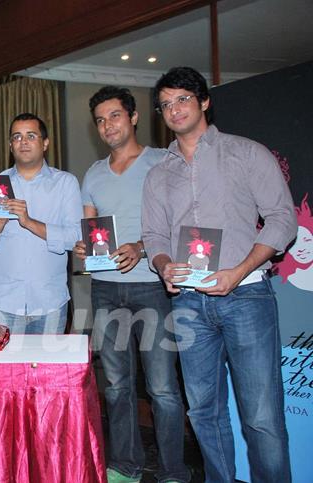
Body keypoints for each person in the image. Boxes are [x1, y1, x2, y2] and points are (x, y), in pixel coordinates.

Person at [142, 66, 296, 482]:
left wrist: (240, 269)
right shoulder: (158, 174)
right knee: (203, 411)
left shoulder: (247, 153)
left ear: (204, 101)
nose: (174, 110)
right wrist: (163, 266)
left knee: (261, 417)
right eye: (166, 104)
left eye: (183, 100)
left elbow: (283, 220)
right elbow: (154, 235)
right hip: (188, 301)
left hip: (245, 295)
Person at [75, 86, 189, 483]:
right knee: (117, 385)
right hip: (105, 288)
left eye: (115, 116)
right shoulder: (93, 173)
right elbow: (90, 231)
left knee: (161, 388)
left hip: (153, 285)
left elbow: (181, 221)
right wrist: (84, 247)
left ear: (134, 117)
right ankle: (125, 464)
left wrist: (142, 247)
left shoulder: (163, 160)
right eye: (101, 120)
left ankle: (174, 470)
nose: (108, 125)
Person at [0, 113, 82, 334]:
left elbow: (74, 237)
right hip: (3, 302)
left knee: (46, 370)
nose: (23, 142)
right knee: (4, 370)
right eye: (17, 137)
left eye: (31, 135)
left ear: (45, 143)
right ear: (11, 145)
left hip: (50, 300)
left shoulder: (65, 183)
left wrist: (29, 222)